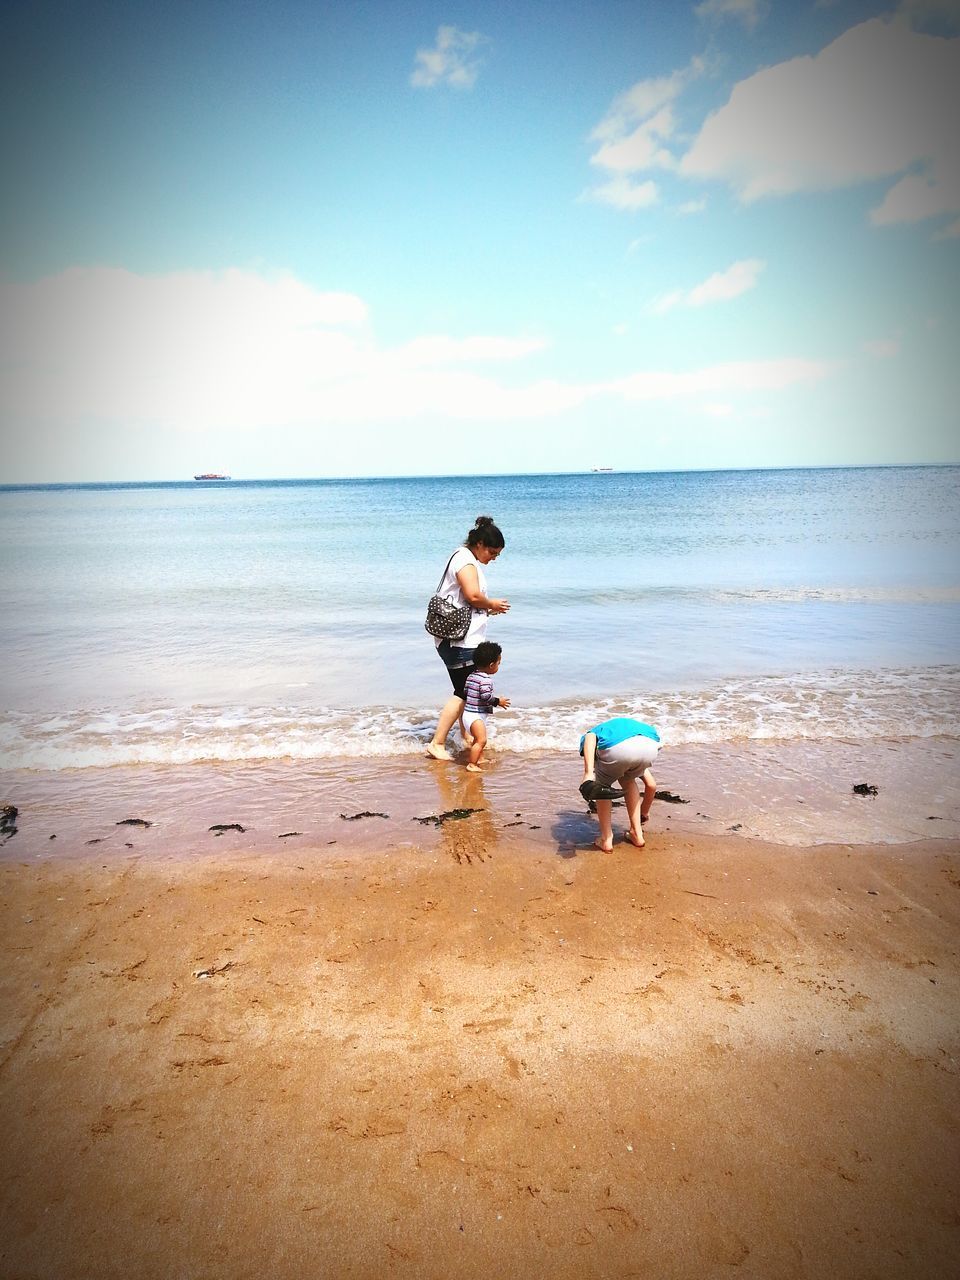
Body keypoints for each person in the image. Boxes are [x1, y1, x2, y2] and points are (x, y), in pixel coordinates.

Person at [425, 516, 510, 761]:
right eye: (492, 552)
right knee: (464, 692)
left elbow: (467, 602)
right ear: (480, 543)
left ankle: (465, 737)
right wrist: (491, 602)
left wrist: (487, 609)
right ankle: (437, 743)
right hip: (459, 642)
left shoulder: (465, 559)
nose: (493, 557)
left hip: (460, 640)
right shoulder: (465, 561)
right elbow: (472, 595)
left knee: (465, 690)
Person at [578, 716, 661, 852]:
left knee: (602, 784)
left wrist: (588, 773)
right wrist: (644, 812)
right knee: (628, 779)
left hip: (619, 749)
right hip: (650, 746)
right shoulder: (620, 730)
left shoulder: (596, 732)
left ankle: (606, 839)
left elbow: (590, 737)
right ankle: (637, 834)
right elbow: (651, 785)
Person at [461, 641, 510, 772]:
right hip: (476, 716)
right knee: (482, 740)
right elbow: (485, 696)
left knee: (477, 739)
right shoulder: (486, 680)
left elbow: (465, 691)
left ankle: (479, 758)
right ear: (491, 665)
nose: (498, 666)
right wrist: (498, 701)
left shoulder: (471, 676)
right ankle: (472, 764)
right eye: (498, 663)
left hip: (468, 714)